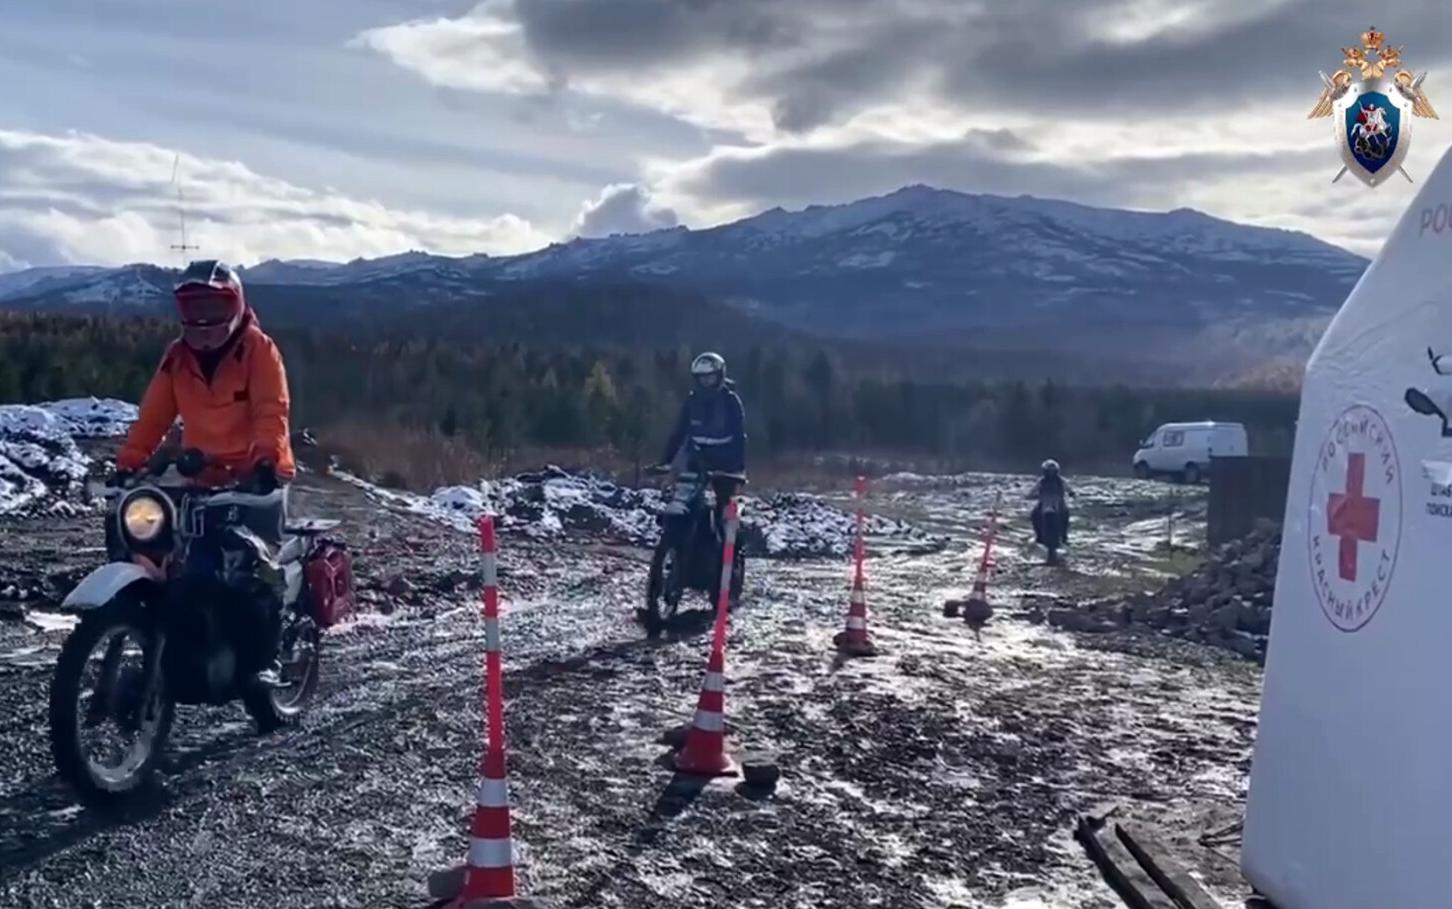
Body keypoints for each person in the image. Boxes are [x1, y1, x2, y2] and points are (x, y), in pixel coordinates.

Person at [114, 259, 296, 689]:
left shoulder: (258, 350)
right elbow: (153, 416)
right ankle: (177, 647)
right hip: (200, 477)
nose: (204, 320)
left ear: (236, 305)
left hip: (255, 480)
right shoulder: (177, 358)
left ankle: (264, 658)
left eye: (215, 308)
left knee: (251, 569)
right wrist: (130, 462)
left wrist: (265, 463)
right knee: (166, 555)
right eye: (195, 308)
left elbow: (271, 410)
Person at [655, 352, 747, 534]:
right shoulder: (692, 401)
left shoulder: (730, 401)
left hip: (725, 461)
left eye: (710, 377)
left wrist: (737, 467)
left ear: (719, 376)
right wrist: (666, 460)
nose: (705, 381)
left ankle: (728, 545)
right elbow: (679, 432)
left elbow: (739, 436)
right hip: (697, 458)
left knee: (725, 507)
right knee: (685, 499)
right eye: (701, 377)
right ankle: (684, 537)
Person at [1027, 459, 1074, 546]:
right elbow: (1033, 490)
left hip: (1058, 502)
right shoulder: (1041, 481)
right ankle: (1039, 535)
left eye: (1052, 471)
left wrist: (1072, 493)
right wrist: (1030, 496)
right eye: (1049, 471)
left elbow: (1068, 488)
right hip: (1044, 501)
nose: (1050, 473)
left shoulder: (1061, 480)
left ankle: (1064, 536)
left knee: (1066, 514)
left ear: (1056, 471)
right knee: (1034, 514)